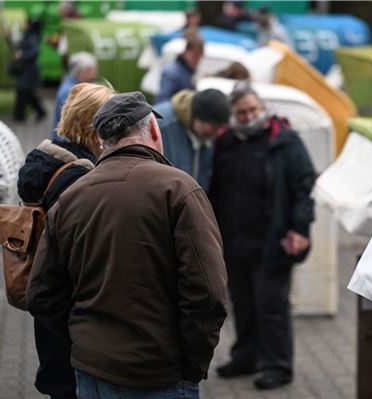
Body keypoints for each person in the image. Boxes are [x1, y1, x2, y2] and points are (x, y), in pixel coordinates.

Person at [27, 91, 228, 398]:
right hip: (158, 373)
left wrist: (83, 339)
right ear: (155, 131)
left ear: (103, 140)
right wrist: (192, 363)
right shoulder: (179, 189)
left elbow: (41, 294)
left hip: (91, 371)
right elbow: (209, 292)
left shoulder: (71, 197)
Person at [210, 83, 315, 390]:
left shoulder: (284, 139)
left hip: (274, 238)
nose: (248, 116)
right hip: (235, 238)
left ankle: (277, 366)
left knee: (271, 304)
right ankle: (246, 357)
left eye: (252, 110)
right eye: (241, 113)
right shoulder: (226, 141)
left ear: (262, 106)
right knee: (242, 302)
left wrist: (301, 228)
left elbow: (304, 185)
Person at [18, 82, 114, 399]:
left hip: (48, 300)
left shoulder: (45, 164)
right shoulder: (79, 177)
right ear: (93, 125)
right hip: (72, 312)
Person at [155, 88, 231, 191]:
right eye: (214, 127)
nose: (217, 133)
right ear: (197, 117)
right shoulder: (161, 126)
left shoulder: (206, 133)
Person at [52, 51, 98, 137]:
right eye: (92, 71)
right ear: (80, 71)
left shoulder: (73, 85)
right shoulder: (70, 92)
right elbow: (75, 122)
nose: (94, 75)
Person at [13, 18, 46, 122]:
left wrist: (22, 55)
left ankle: (20, 116)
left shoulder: (31, 36)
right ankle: (39, 112)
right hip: (28, 70)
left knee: (23, 91)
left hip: (28, 70)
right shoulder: (31, 35)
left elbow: (34, 51)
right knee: (28, 93)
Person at [155, 33, 204, 104]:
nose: (197, 61)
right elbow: (163, 100)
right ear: (185, 53)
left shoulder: (189, 70)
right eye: (195, 57)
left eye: (200, 58)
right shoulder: (171, 72)